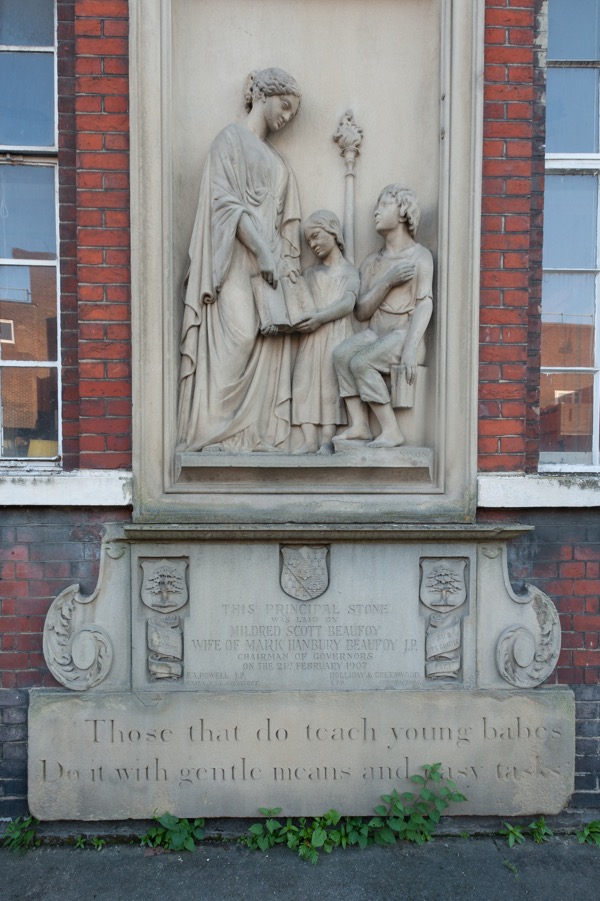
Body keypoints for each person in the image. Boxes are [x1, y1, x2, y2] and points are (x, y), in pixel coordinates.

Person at [177, 68, 302, 452]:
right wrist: (261, 250)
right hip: (233, 260)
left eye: (292, 114)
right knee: (240, 335)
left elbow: (284, 223)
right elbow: (223, 204)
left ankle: (251, 435)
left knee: (267, 340)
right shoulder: (229, 140)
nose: (285, 117)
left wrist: (278, 259)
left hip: (266, 270)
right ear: (263, 96)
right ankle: (212, 434)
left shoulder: (279, 162)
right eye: (284, 106)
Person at [333, 185, 433, 447]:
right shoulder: (371, 262)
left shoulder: (420, 257)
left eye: (384, 205)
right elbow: (363, 311)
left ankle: (391, 430)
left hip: (404, 335)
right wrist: (387, 281)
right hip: (376, 333)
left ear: (402, 212)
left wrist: (411, 348)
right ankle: (360, 425)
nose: (376, 212)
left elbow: (424, 305)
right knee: (342, 354)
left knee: (360, 362)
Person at [292, 211, 359, 453]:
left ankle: (327, 439)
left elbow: (348, 304)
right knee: (303, 383)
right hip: (311, 338)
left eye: (316, 236)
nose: (313, 244)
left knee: (330, 386)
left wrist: (319, 318)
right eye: (309, 241)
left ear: (332, 231)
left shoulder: (348, 271)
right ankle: (308, 440)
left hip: (335, 333)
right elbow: (297, 302)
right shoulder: (310, 274)